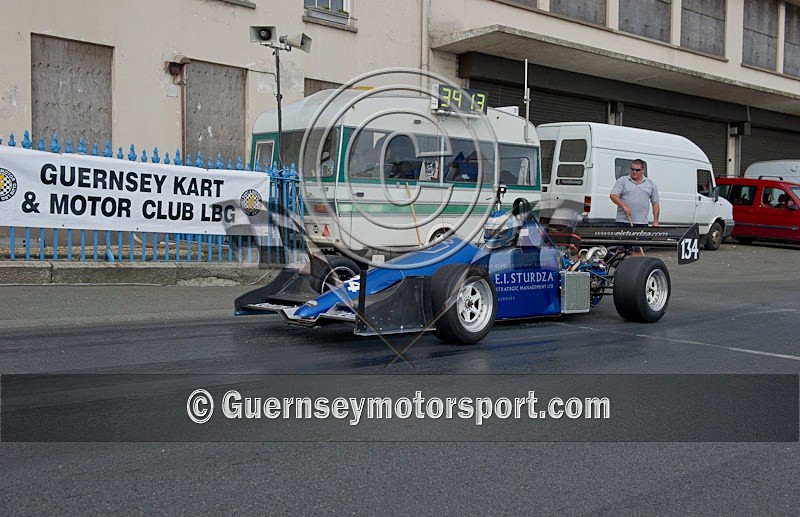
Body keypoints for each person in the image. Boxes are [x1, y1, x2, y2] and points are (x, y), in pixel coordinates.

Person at [609, 159, 660, 227]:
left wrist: (656, 221)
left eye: (637, 170)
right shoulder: (622, 180)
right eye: (632, 169)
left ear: (643, 170)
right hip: (623, 222)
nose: (634, 172)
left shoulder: (651, 183)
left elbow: (655, 203)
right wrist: (624, 206)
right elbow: (613, 195)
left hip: (642, 223)